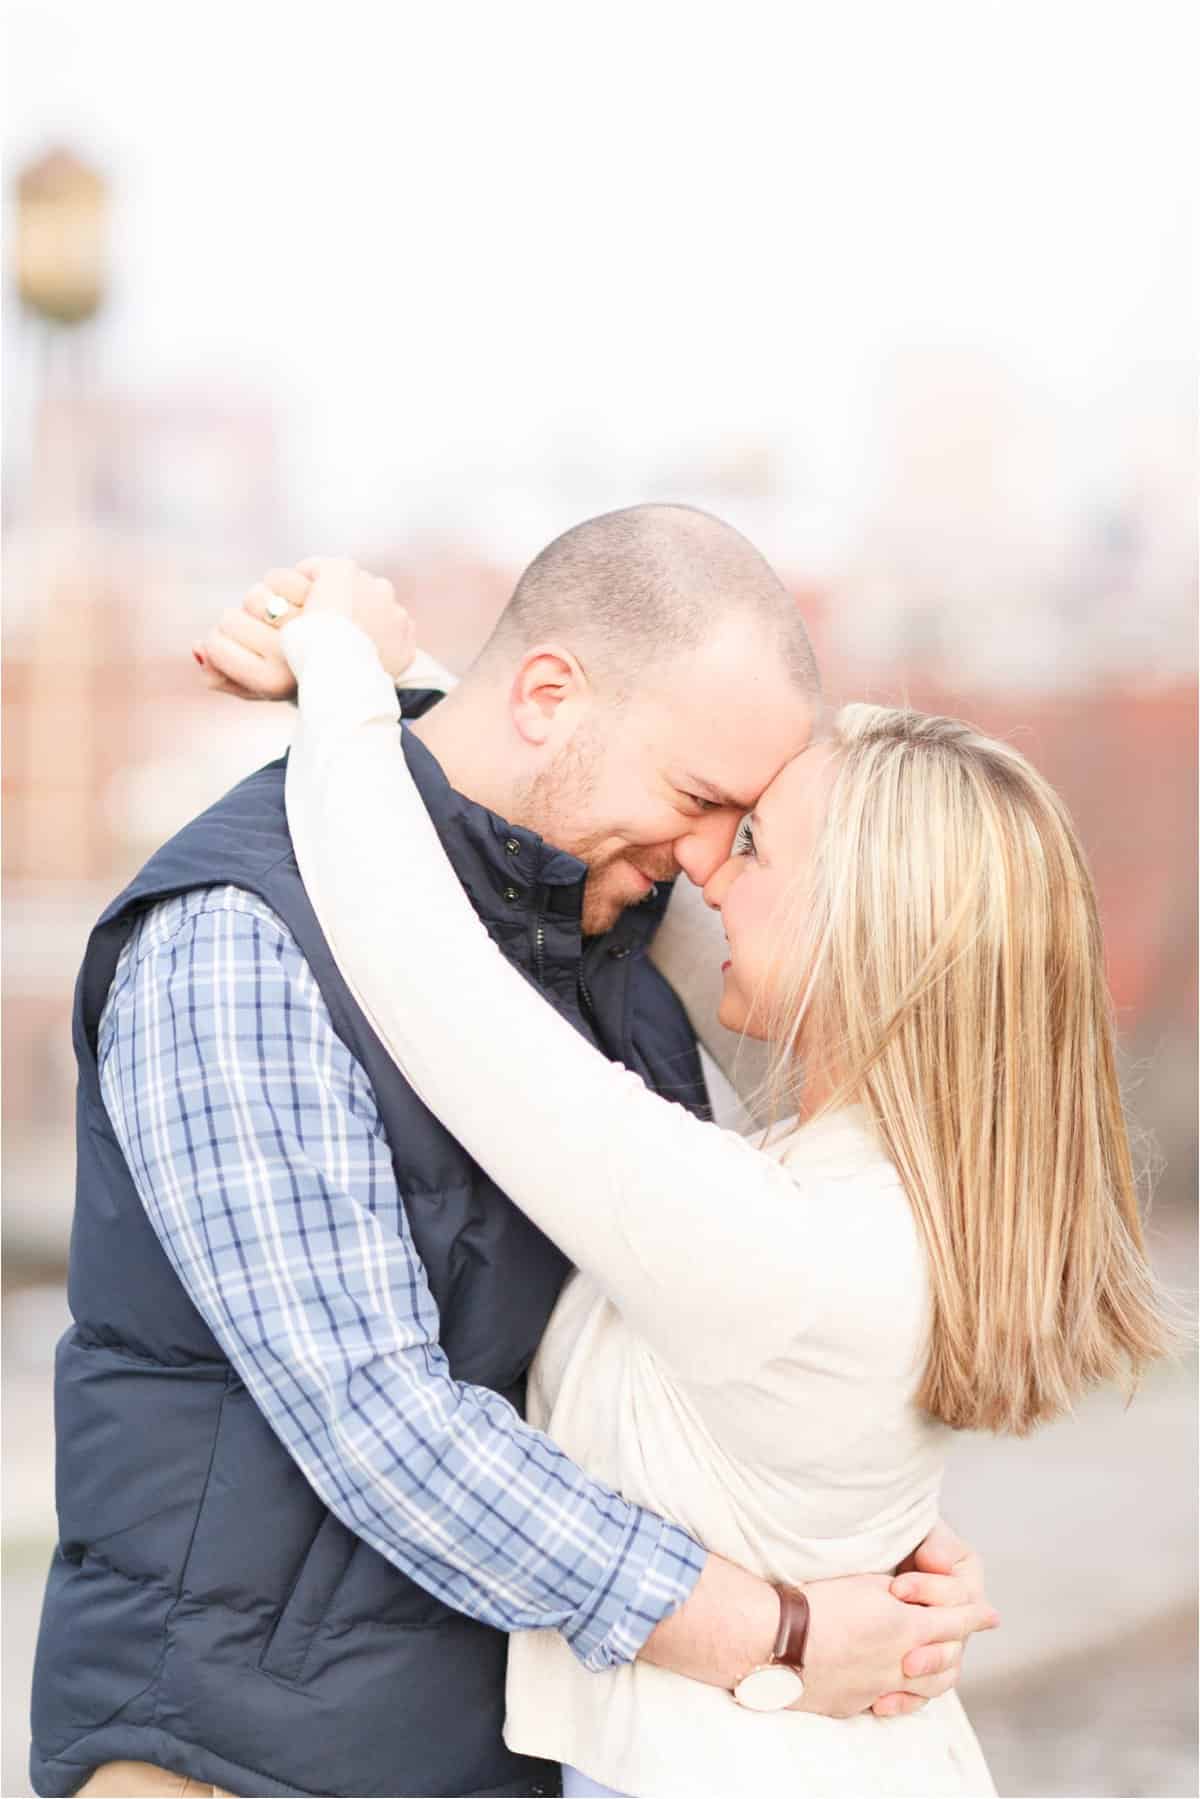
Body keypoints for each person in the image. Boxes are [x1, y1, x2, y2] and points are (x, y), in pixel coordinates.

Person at [30, 508, 996, 1799]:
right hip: (237, 1756)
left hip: (497, 1740)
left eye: (743, 823)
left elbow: (704, 1340)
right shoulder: (239, 941)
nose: (708, 862)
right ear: (548, 696)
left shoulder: (602, 950)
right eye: (700, 799)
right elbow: (381, 1421)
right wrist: (780, 1629)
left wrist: (868, 1538)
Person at [259, 551, 1169, 1798]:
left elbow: (418, 959)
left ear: (866, 928)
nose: (703, 865)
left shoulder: (775, 1241)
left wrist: (339, 661)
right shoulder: (892, 1194)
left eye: (752, 842)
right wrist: (459, 697)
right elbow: (585, 822)